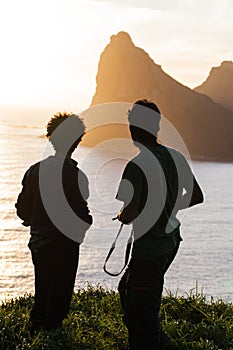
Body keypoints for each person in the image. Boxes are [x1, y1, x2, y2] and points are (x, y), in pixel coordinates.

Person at [116, 99, 204, 349]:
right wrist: (168, 206)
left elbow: (130, 214)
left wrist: (125, 214)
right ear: (156, 128)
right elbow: (196, 196)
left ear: (133, 129)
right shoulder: (176, 157)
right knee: (127, 290)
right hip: (170, 242)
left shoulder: (135, 166)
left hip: (150, 248)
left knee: (141, 315)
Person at [15, 112, 92, 331]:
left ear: (51, 137)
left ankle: (35, 330)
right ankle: (50, 335)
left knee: (43, 288)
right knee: (60, 295)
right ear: (77, 141)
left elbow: (22, 210)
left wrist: (35, 220)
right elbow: (82, 215)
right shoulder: (76, 175)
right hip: (65, 244)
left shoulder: (34, 171)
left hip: (39, 242)